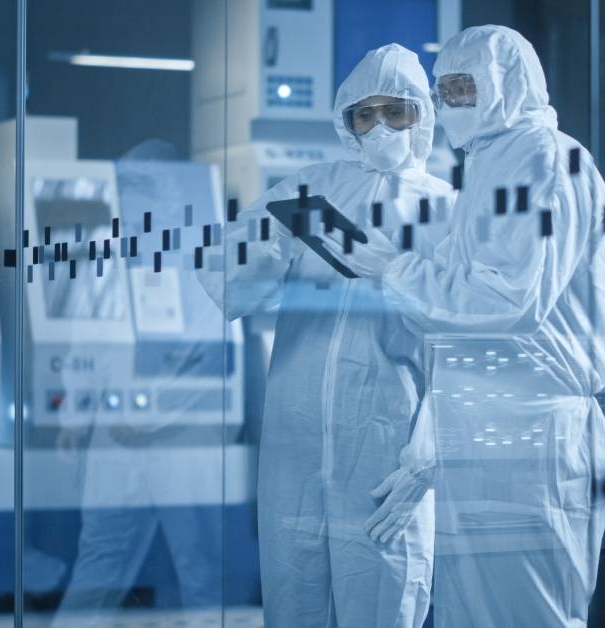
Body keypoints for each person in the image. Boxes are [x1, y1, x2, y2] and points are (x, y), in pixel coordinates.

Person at [320, 25, 605, 628]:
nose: (455, 103)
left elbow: (506, 302)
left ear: (509, 84)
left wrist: (394, 267)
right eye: (446, 89)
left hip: (533, 437)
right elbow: (461, 318)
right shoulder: (488, 166)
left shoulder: (546, 157)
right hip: (485, 433)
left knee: (531, 615)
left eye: (466, 87)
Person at [198, 43, 453, 628]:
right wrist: (259, 255)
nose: (380, 126)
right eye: (365, 114)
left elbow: (463, 348)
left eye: (397, 111)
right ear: (346, 121)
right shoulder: (311, 187)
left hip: (387, 446)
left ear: (422, 116)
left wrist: (431, 453)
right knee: (293, 599)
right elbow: (226, 279)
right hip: (296, 442)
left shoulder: (447, 210)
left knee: (384, 599)